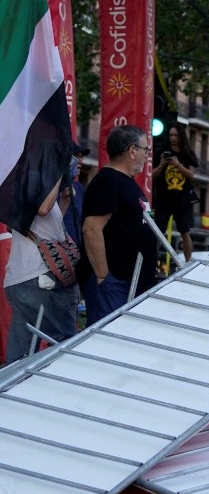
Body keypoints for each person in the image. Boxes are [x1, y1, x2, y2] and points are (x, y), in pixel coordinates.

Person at [81, 124, 158, 324]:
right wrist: (103, 276)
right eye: (145, 150)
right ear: (132, 151)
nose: (147, 156)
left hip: (131, 283)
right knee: (108, 342)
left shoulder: (127, 182)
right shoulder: (108, 181)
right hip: (115, 283)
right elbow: (91, 229)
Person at [4, 180, 79, 364]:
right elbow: (43, 209)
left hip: (23, 279)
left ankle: (12, 390)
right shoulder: (34, 183)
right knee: (65, 344)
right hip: (38, 278)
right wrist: (59, 173)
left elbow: (49, 228)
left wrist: (64, 202)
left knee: (20, 355)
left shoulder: (25, 188)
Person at [151, 124, 199, 262]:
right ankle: (151, 261)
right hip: (163, 199)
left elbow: (191, 175)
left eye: (176, 135)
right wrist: (161, 164)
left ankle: (188, 262)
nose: (173, 138)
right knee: (159, 232)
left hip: (182, 200)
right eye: (171, 135)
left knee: (185, 231)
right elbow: (151, 176)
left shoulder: (187, 154)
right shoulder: (162, 152)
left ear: (181, 136)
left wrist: (178, 165)